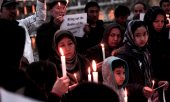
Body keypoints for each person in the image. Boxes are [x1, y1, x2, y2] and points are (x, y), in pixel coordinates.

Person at [114, 20, 169, 102]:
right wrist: (140, 89)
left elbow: (147, 76)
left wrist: (157, 83)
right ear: (130, 35)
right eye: (137, 35)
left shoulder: (145, 52)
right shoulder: (122, 55)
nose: (142, 38)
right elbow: (120, 84)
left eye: (145, 34)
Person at [144, 6, 170, 101]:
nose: (160, 24)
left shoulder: (165, 36)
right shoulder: (145, 39)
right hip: (154, 82)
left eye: (162, 21)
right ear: (149, 21)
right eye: (156, 21)